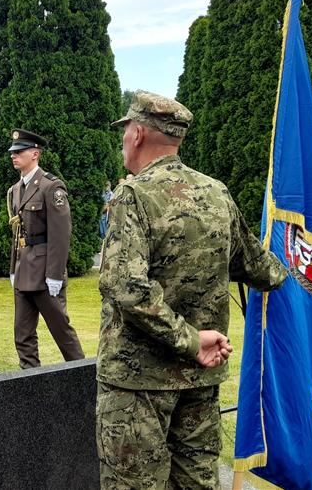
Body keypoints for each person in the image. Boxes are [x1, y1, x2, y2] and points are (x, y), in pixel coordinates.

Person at [97, 91, 288, 489]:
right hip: (200, 379)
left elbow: (126, 287)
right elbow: (258, 267)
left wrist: (189, 340)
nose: (123, 141)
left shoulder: (133, 195)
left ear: (137, 133)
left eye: (125, 132)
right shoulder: (217, 193)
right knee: (197, 484)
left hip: (139, 382)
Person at [7, 128, 85, 368]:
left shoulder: (51, 187)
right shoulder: (15, 190)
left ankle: (83, 378)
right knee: (23, 336)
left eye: (20, 151)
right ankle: (29, 386)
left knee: (61, 332)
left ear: (35, 154)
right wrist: (13, 268)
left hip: (43, 272)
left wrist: (54, 275)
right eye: (13, 152)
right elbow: (17, 232)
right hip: (23, 271)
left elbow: (60, 235)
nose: (14, 155)